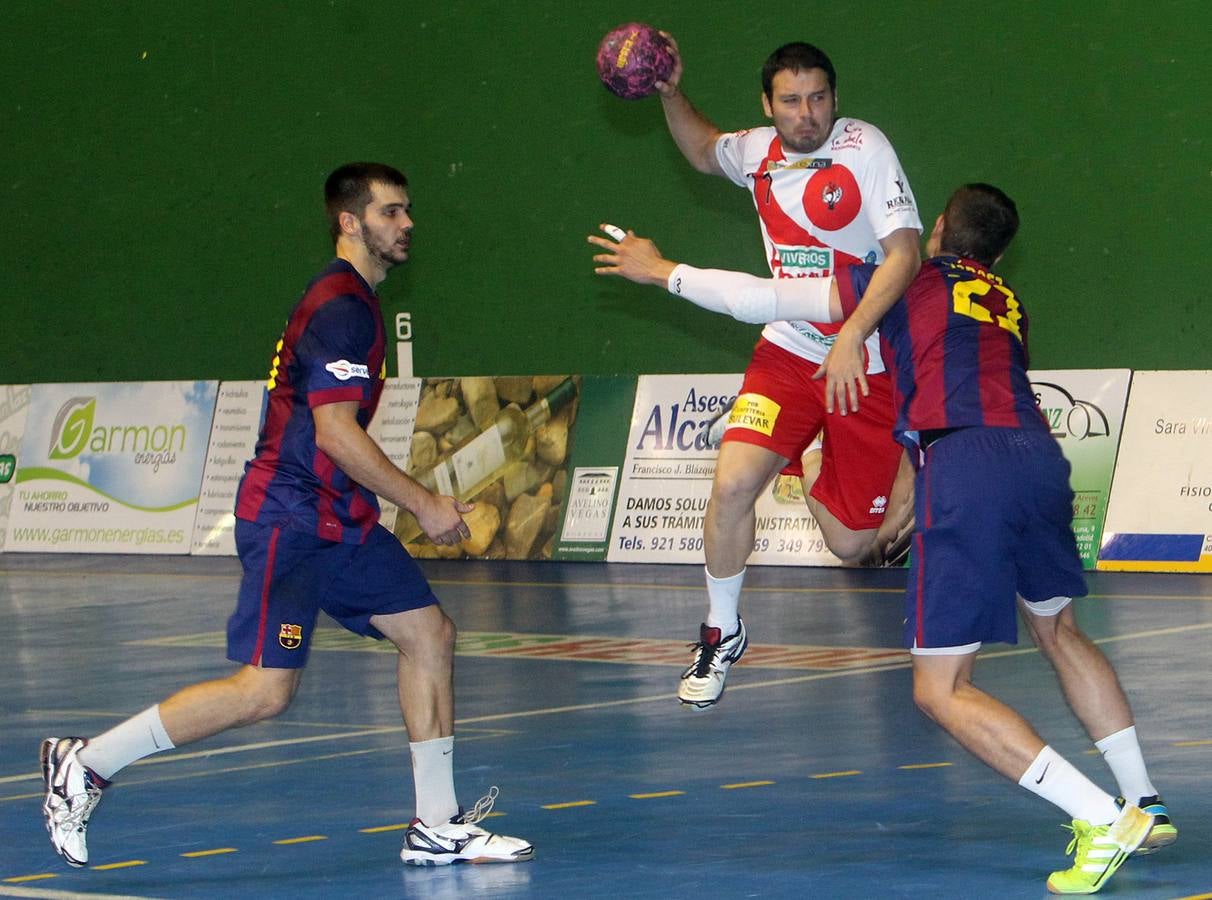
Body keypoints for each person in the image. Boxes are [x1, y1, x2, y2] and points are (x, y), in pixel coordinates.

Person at [587, 182, 1176, 893]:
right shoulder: (1007, 302)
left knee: (940, 690)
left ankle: (1104, 818)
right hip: (1041, 460)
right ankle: (1145, 797)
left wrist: (662, 271)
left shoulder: (908, 278)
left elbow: (761, 299)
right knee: (1061, 632)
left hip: (968, 466)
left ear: (934, 232)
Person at [40, 163, 533, 869]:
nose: (407, 224)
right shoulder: (340, 307)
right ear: (350, 222)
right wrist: (422, 502)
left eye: (407, 211)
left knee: (429, 635)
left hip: (339, 515)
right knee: (266, 691)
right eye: (392, 213)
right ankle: (86, 763)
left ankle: (435, 826)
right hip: (292, 517)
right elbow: (335, 432)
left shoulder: (354, 302)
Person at [649, 36, 922, 709]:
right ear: (768, 106)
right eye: (792, 101)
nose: (808, 113)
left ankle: (837, 450)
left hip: (868, 360)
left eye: (819, 98)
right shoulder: (754, 153)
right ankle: (721, 630)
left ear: (835, 98)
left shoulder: (864, 147)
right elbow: (700, 148)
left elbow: (905, 254)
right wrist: (667, 91)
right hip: (788, 352)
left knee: (856, 544)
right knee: (734, 484)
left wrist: (853, 335)